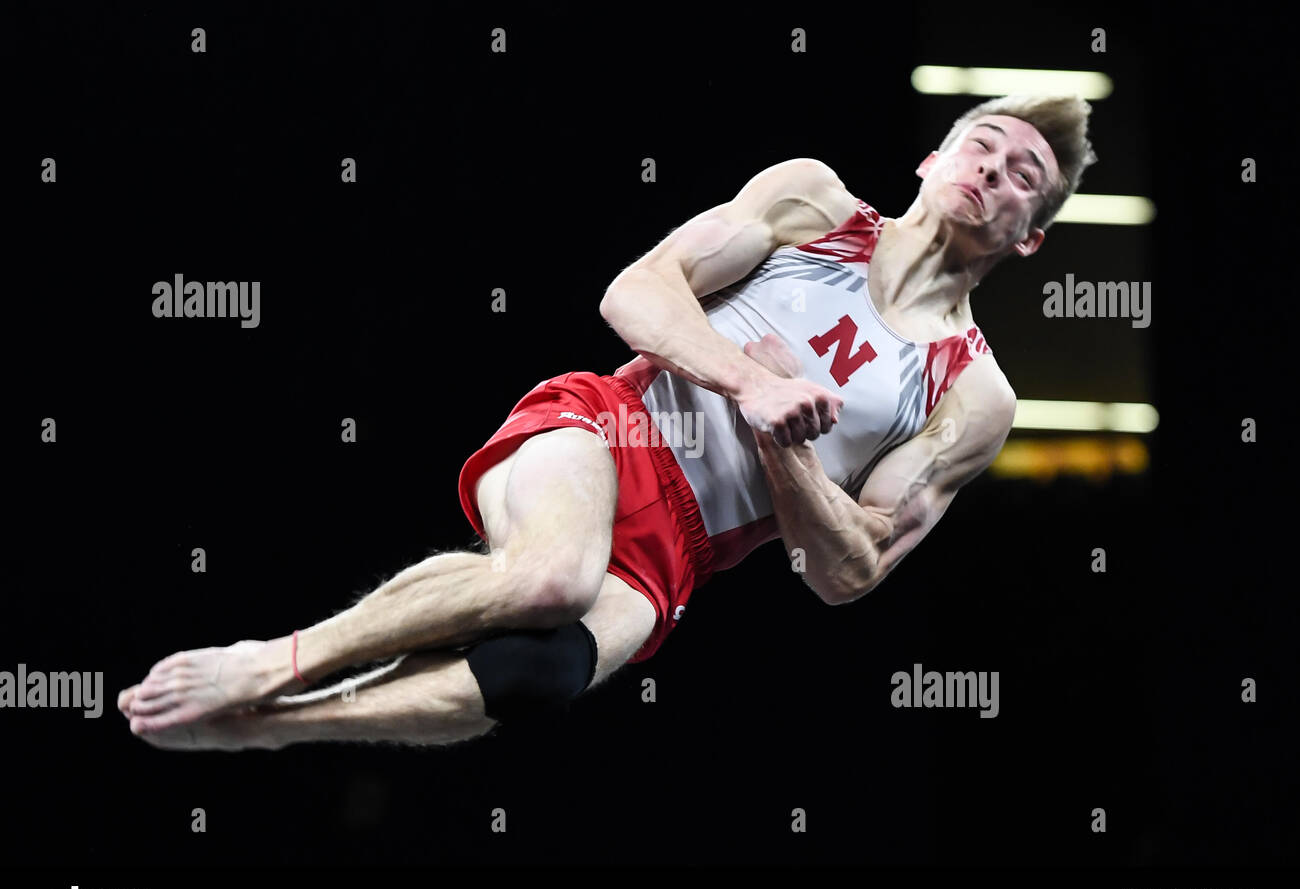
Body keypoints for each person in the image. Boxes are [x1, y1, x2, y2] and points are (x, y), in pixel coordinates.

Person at [118, 93, 1096, 751]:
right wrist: (744, 379)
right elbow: (637, 290)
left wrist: (779, 446)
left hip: (682, 545)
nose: (994, 171)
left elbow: (848, 570)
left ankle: (265, 724)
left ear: (1030, 237)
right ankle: (269, 660)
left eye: (1022, 176)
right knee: (549, 575)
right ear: (934, 155)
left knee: (541, 674)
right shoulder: (812, 204)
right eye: (984, 145)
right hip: (605, 424)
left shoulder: (974, 395)